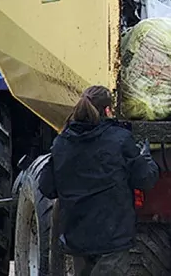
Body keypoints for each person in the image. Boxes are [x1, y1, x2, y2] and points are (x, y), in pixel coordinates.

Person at [38, 85, 159, 276]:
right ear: (108, 110)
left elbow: (46, 187)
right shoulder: (120, 139)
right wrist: (145, 158)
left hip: (77, 238)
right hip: (113, 238)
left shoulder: (62, 142)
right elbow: (145, 179)